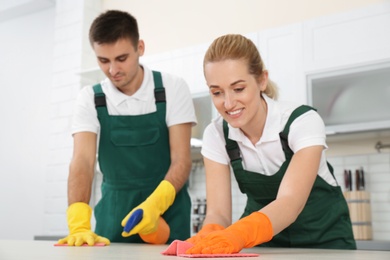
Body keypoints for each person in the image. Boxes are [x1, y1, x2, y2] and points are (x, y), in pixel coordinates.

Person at [185, 34, 356, 254]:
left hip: (325, 243)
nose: (228, 103)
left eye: (238, 89)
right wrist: (207, 236)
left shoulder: (301, 122)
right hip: (264, 247)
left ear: (262, 80)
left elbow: (290, 202)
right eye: (217, 92)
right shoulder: (216, 134)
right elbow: (218, 213)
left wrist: (239, 233)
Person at [57, 10, 196, 246]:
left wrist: (156, 204)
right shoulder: (90, 98)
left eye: (121, 58)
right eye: (103, 60)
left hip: (168, 216)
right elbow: (82, 160)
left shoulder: (172, 88)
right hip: (114, 217)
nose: (113, 70)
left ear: (140, 48)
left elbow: (181, 159)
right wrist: (78, 221)